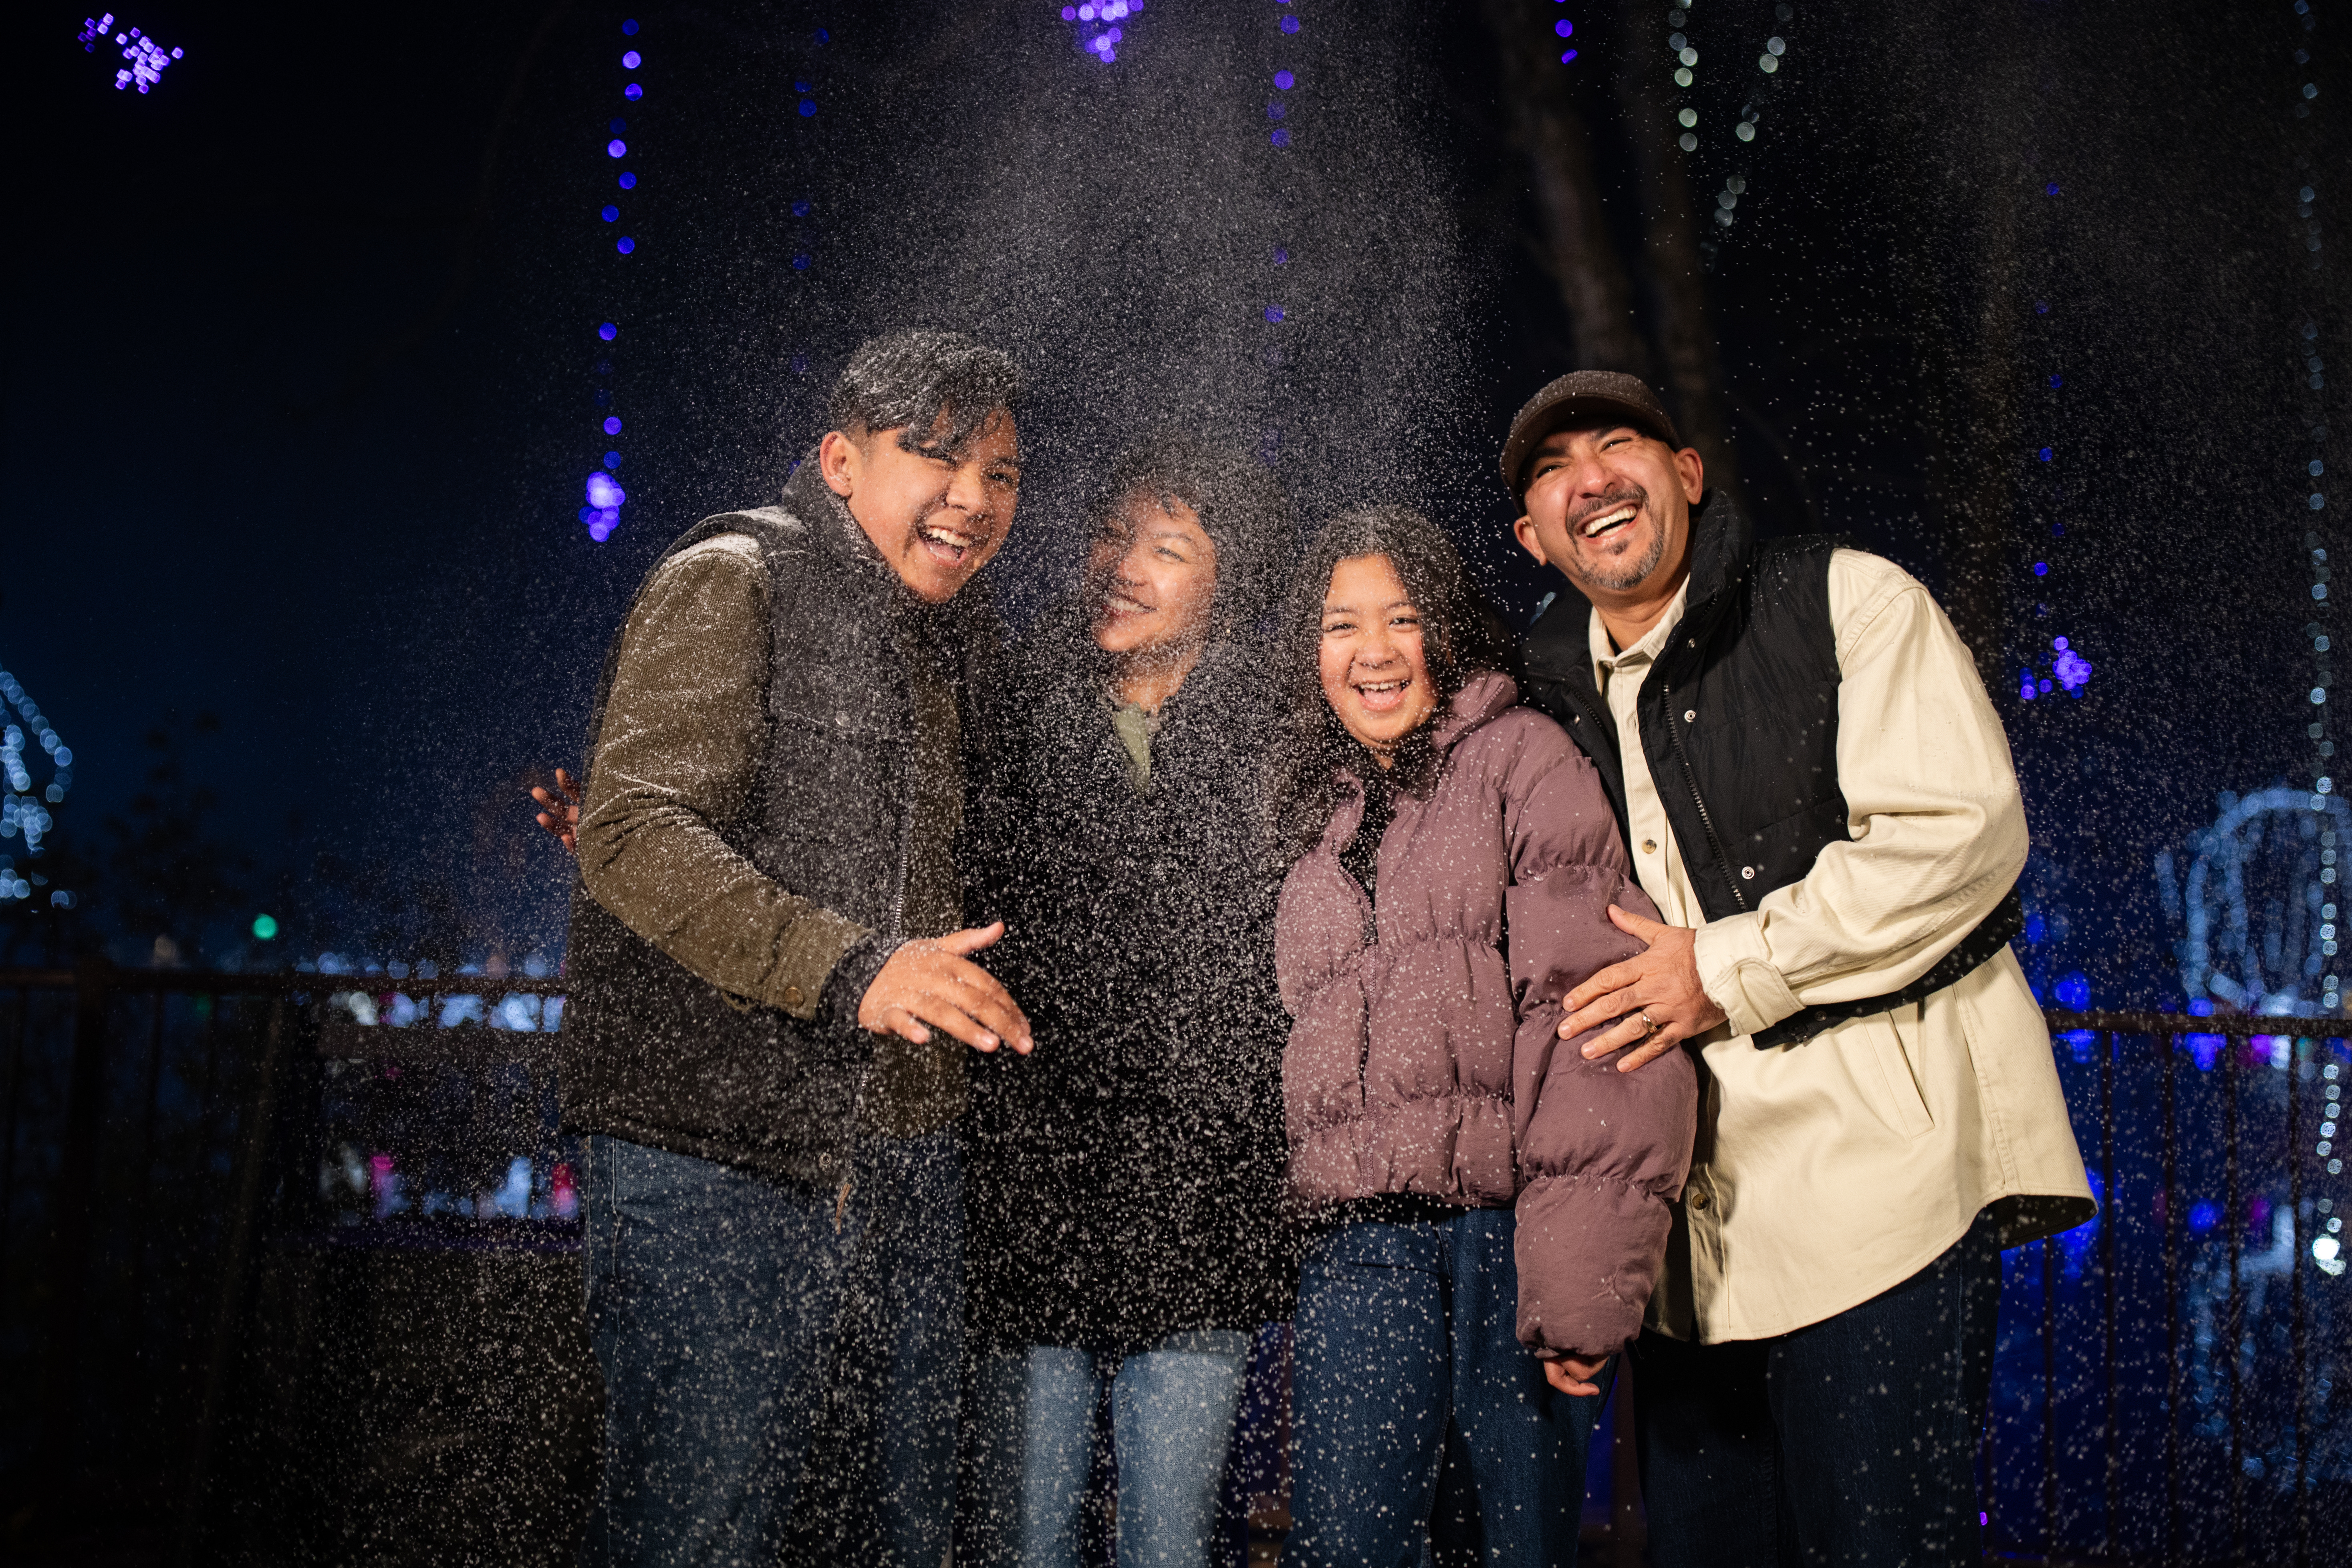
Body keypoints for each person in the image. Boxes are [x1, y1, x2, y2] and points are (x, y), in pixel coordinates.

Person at [1499, 370, 2096, 1566]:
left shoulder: (1848, 600)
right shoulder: (1545, 703)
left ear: (1688, 475)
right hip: (1685, 1253)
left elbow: (1957, 834)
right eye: (1557, 468)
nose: (1595, 477)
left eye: (1623, 443)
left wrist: (1724, 968)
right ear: (1533, 535)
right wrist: (1575, 1262)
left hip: (1884, 1201)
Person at [554, 329, 1034, 1566]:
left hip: (902, 1166)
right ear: (838, 459)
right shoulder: (734, 577)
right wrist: (854, 966)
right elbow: (635, 827)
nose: (974, 499)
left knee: (887, 1531)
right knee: (705, 1527)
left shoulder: (958, 641)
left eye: (1003, 474)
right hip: (716, 1156)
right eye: (936, 456)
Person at [1266, 504, 1699, 1567]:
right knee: (1344, 1546)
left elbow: (1592, 1015)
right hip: (1358, 1242)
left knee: (1509, 1546)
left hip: (1507, 1246)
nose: (1372, 651)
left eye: (1401, 618)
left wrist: (1580, 1289)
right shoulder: (1309, 809)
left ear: (1444, 634)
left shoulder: (1523, 759)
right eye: (1340, 625)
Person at [957, 431, 1296, 1568]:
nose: (1125, 564)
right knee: (1027, 1543)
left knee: (1170, 1543)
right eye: (1112, 534)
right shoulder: (1011, 709)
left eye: (1167, 544)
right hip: (1032, 1195)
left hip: (1200, 1204)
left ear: (1228, 580)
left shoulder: (1278, 733)